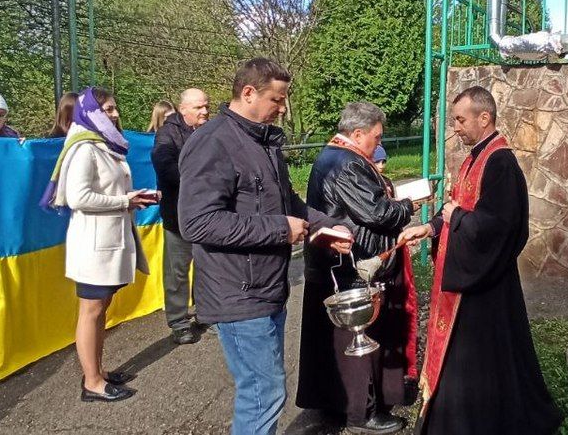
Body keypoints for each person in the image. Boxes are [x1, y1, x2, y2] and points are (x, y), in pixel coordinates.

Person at [178, 58, 353, 435]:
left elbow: (287, 202)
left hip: (267, 288)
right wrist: (278, 230)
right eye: (278, 99)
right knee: (263, 393)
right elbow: (196, 222)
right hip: (237, 292)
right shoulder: (212, 142)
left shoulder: (263, 141)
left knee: (266, 390)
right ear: (248, 93)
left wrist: (328, 227)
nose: (283, 108)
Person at [398, 86, 560, 435]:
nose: (455, 127)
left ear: (484, 118)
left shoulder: (500, 162)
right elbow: (458, 207)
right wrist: (430, 227)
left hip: (485, 284)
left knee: (483, 360)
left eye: (460, 119)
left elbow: (498, 227)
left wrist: (456, 219)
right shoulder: (475, 156)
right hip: (469, 278)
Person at [296, 103, 418, 435]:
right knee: (356, 339)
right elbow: (377, 213)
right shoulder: (346, 162)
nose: (377, 144)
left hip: (337, 262)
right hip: (351, 265)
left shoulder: (334, 155)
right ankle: (360, 411)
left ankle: (343, 401)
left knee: (337, 341)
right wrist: (407, 206)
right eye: (375, 137)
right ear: (358, 133)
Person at [40, 86, 158, 403]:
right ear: (90, 113)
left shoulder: (104, 146)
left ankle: (98, 371)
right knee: (91, 312)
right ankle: (91, 382)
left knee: (100, 310)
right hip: (93, 246)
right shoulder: (83, 149)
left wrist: (132, 200)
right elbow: (79, 198)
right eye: (107, 109)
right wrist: (124, 200)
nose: (115, 114)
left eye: (114, 108)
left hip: (108, 240)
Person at [151, 88, 211, 344]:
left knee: (207, 266)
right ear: (183, 108)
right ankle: (178, 321)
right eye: (199, 107)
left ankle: (206, 313)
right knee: (177, 271)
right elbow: (165, 167)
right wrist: (201, 180)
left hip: (208, 213)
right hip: (178, 215)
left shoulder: (209, 131)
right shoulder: (167, 134)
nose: (205, 111)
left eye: (206, 106)